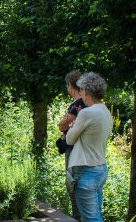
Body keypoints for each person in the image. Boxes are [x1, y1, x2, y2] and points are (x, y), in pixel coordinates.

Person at [66, 72, 113, 221]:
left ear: (86, 90)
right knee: (96, 215)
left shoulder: (87, 113)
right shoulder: (106, 111)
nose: (80, 95)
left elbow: (69, 139)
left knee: (90, 219)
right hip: (100, 169)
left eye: (81, 91)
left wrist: (73, 128)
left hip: (86, 170)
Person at [56, 70, 85, 219]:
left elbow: (63, 125)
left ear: (70, 85)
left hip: (73, 148)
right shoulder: (83, 102)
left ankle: (77, 217)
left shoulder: (78, 104)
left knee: (72, 184)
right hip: (78, 146)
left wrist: (62, 122)